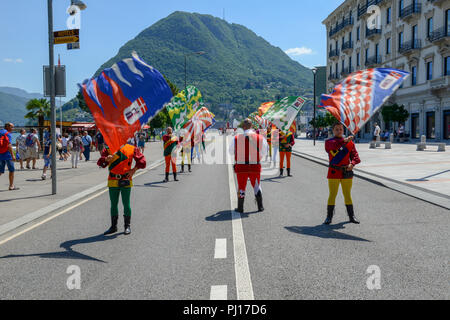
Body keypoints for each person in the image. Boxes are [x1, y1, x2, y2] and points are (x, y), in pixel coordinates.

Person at [98, 143, 146, 235]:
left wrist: (133, 170)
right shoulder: (108, 149)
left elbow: (142, 161)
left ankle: (127, 226)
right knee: (113, 204)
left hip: (126, 179)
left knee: (126, 204)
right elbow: (101, 163)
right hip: (112, 180)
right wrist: (106, 159)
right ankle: (113, 227)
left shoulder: (132, 148)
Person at [324, 122, 361, 225]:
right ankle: (329, 216)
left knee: (347, 194)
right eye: (336, 129)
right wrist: (344, 141)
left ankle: (351, 216)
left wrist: (352, 164)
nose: (339, 131)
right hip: (333, 172)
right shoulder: (329, 142)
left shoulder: (350, 143)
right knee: (332, 194)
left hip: (346, 172)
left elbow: (356, 157)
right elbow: (334, 146)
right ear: (333, 130)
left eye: (340, 129)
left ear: (343, 130)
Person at [229, 119, 267, 213]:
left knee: (241, 187)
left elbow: (230, 151)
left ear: (243, 127)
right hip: (255, 166)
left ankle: (240, 208)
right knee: (257, 186)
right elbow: (264, 152)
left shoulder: (237, 138)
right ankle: (260, 206)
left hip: (241, 166)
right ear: (251, 126)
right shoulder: (260, 138)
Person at [0, 123, 19, 190]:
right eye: (12, 127)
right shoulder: (8, 134)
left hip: (0, 154)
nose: (13, 128)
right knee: (11, 170)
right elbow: (9, 145)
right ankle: (11, 186)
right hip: (7, 155)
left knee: (0, 171)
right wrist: (13, 155)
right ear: (7, 127)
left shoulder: (0, 132)